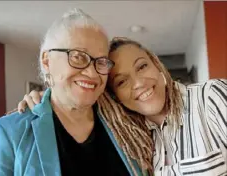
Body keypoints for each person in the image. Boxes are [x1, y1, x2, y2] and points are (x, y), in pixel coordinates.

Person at [20, 37, 227, 176]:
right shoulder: (134, 140)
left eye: (142, 66)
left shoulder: (210, 97)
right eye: (121, 82)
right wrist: (51, 101)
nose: (139, 83)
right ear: (114, 97)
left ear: (156, 64)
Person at [0, 9, 153, 176]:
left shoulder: (127, 124)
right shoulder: (9, 134)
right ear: (47, 61)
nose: (92, 74)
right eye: (78, 57)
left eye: (100, 62)